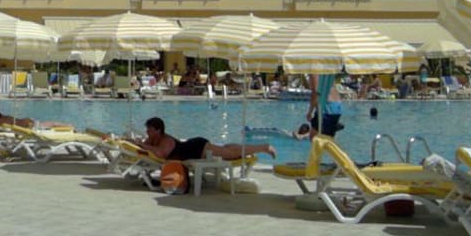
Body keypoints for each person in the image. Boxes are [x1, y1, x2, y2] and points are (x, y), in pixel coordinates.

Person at [138, 117, 276, 161]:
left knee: (230, 154)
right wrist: (135, 142)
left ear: (158, 130)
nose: (147, 132)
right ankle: (243, 149)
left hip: (198, 148)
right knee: (226, 150)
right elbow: (144, 146)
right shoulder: (153, 139)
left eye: (149, 130)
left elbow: (161, 154)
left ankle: (264, 147)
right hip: (194, 147)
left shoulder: (166, 140)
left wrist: (142, 145)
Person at [306, 73, 345, 138]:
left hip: (327, 107)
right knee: (326, 138)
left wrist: (310, 111)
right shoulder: (327, 70)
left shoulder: (314, 71)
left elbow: (315, 92)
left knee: (315, 138)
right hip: (336, 105)